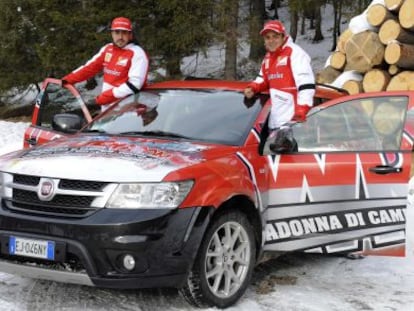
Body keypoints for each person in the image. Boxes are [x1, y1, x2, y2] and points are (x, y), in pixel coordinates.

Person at [244, 20, 315, 139]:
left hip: (293, 125)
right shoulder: (268, 57)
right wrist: (252, 88)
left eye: (275, 36)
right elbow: (262, 79)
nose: (271, 41)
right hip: (275, 122)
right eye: (267, 37)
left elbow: (306, 85)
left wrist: (301, 110)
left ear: (283, 36)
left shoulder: (295, 53)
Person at [62, 17, 149, 109]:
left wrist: (103, 98)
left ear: (130, 35)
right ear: (112, 33)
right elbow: (90, 67)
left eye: (124, 33)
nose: (120, 37)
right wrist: (68, 80)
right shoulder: (108, 49)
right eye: (117, 32)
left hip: (128, 111)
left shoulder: (137, 54)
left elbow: (134, 85)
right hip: (107, 110)